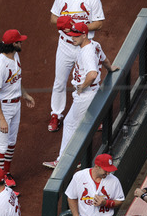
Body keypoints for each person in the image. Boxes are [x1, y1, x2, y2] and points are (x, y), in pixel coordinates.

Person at [43, 22, 119, 169]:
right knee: (78, 123)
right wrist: (110, 68)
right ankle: (74, 158)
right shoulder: (94, 45)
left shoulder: (86, 52)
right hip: (91, 93)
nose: (73, 38)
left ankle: (65, 160)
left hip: (86, 94)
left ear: (84, 35)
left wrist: (81, 88)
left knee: (70, 123)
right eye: (71, 35)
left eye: (76, 36)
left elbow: (92, 74)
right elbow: (104, 59)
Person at [49, 0, 105, 132]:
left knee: (90, 81)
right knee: (59, 81)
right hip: (65, 46)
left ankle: (92, 115)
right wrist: (63, 23)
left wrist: (81, 26)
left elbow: (99, 23)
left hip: (84, 47)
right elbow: (53, 18)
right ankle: (56, 114)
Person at [0, 29, 35, 188]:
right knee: (1, 145)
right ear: (13, 44)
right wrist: (1, 118)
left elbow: (16, 79)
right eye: (19, 41)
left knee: (11, 142)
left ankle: (5, 173)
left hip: (16, 105)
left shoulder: (15, 56)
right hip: (3, 107)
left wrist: (25, 94)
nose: (21, 42)